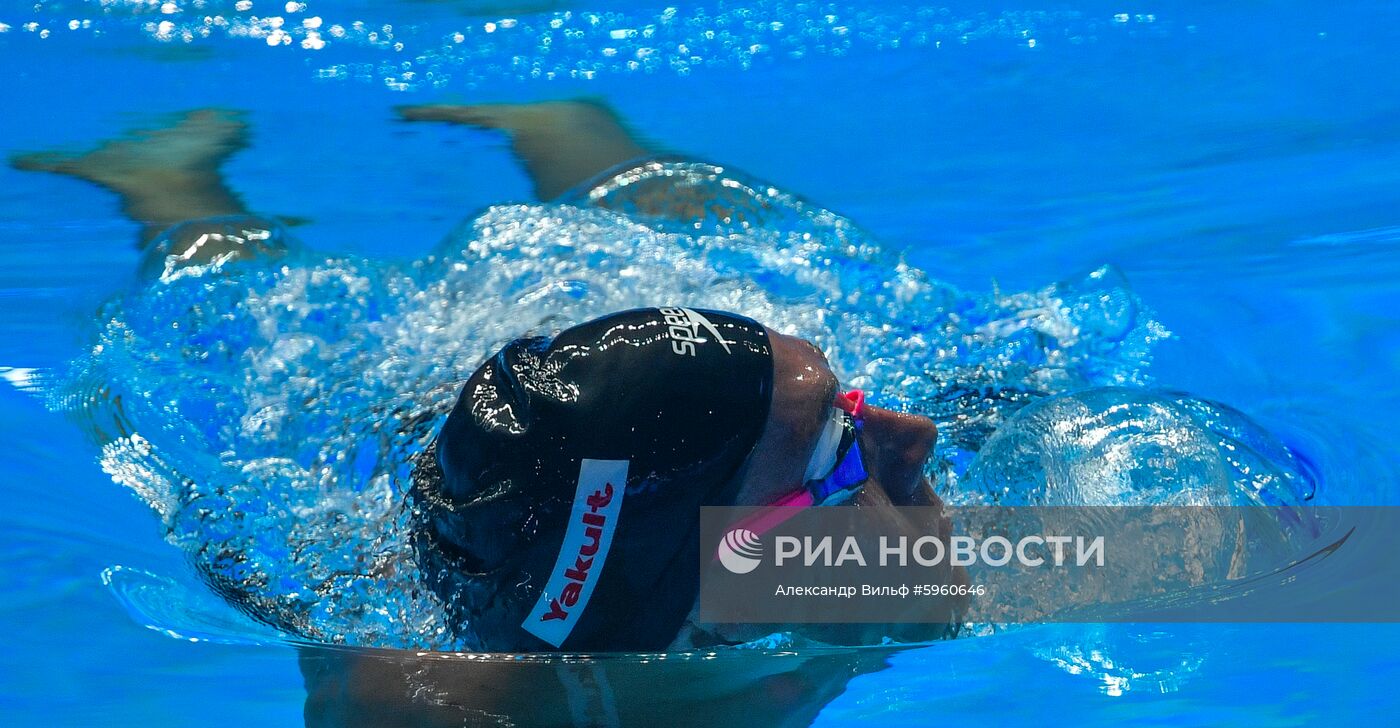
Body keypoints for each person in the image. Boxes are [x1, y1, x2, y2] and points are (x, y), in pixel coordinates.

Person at [13, 101, 963, 720]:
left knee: (661, 211)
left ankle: (560, 122)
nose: (913, 432)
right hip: (393, 413)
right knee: (234, 288)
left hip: (557, 407)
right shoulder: (442, 697)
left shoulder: (752, 556)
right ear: (701, 567)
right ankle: (165, 179)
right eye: (841, 451)